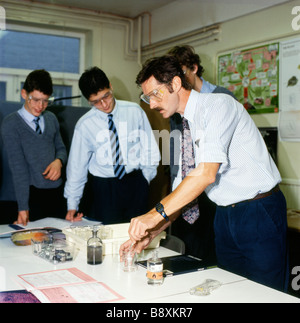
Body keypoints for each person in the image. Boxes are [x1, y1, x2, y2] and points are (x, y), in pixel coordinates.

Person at [120, 55, 289, 292]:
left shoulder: (219, 106)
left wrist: (154, 214)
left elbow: (206, 173)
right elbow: (183, 187)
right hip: (224, 215)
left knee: (266, 293)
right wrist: (154, 231)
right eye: (146, 97)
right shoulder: (185, 124)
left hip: (257, 212)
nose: (151, 104)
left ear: (176, 84)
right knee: (232, 290)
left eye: (154, 94)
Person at [167, 45, 237, 263]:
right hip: (187, 189)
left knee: (213, 254)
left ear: (194, 68)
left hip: (213, 188)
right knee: (187, 253)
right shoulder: (177, 104)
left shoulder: (222, 98)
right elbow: (176, 148)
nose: (176, 83)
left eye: (181, 74)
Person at [64, 67, 160, 224]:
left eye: (106, 96)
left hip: (135, 183)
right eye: (96, 102)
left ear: (110, 86)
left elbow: (150, 148)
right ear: (88, 101)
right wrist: (72, 204)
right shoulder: (84, 125)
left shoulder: (134, 111)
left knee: (137, 236)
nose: (104, 104)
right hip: (103, 189)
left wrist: (145, 179)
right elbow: (76, 167)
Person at [1, 69, 67, 225]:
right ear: (24, 94)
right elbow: (19, 168)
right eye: (36, 99)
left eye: (45, 100)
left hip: (56, 193)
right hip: (29, 195)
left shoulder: (51, 119)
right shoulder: (11, 124)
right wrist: (23, 208)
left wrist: (59, 161)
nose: (41, 106)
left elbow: (61, 149)